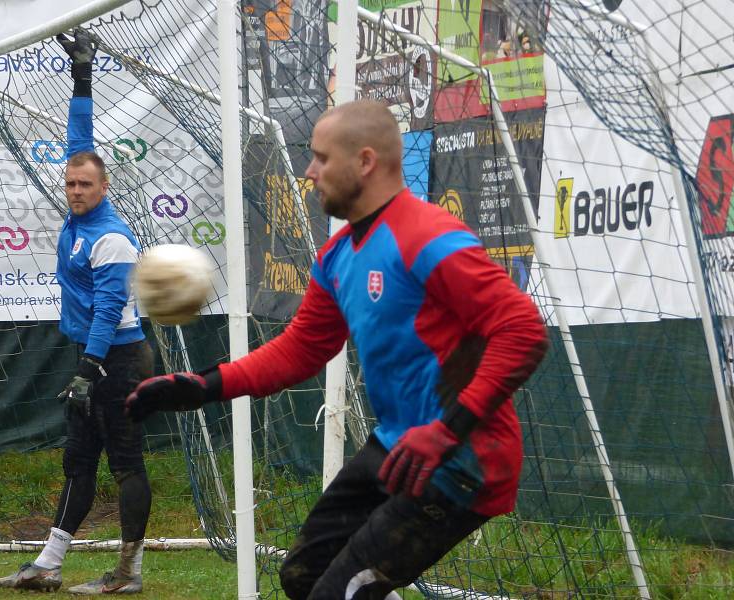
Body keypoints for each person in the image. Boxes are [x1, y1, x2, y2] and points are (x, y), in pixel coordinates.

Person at [125, 99, 548, 599]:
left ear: (365, 161)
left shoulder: (429, 237)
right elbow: (302, 348)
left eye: (322, 158)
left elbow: (524, 331)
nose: (309, 171)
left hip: (461, 459)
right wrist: (203, 386)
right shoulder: (338, 255)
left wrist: (446, 430)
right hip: (397, 444)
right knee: (301, 576)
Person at [0, 28, 154, 595]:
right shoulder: (77, 214)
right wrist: (83, 76)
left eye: (85, 183)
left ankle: (128, 573)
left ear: (105, 187)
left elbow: (110, 310)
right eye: (70, 182)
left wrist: (88, 370)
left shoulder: (110, 237)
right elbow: (78, 139)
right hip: (93, 358)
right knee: (78, 461)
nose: (75, 189)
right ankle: (47, 566)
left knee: (126, 464)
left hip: (118, 358)